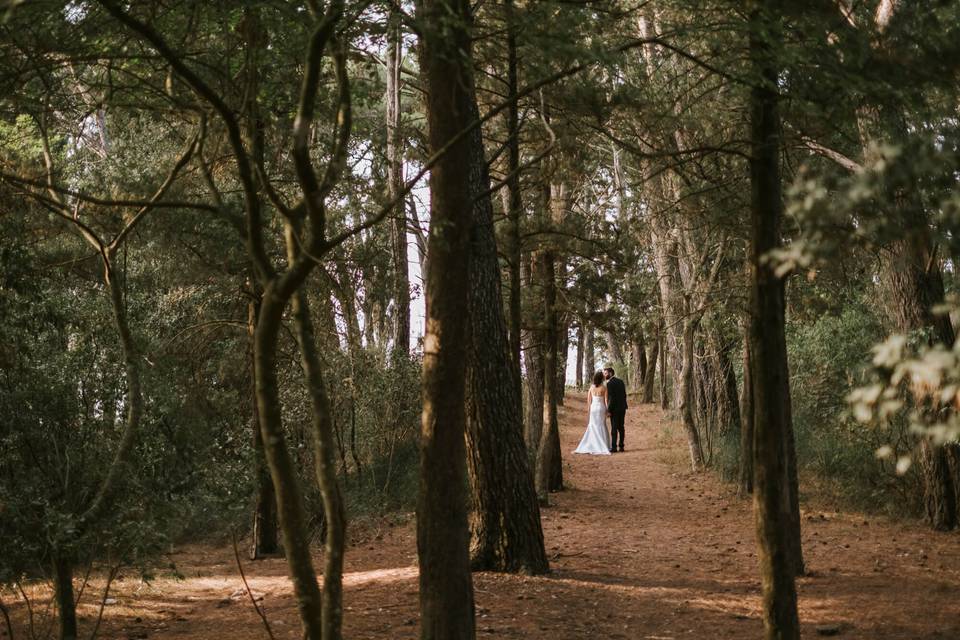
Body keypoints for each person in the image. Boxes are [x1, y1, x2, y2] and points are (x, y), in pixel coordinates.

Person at [573, 371, 612, 455]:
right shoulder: (604, 387)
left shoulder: (591, 387)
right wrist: (607, 410)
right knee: (601, 424)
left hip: (593, 408)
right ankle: (603, 444)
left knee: (593, 425)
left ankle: (592, 443)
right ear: (601, 378)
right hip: (601, 408)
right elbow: (606, 400)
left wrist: (589, 410)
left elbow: (589, 400)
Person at [604, 367, 628, 452]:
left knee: (614, 428)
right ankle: (621, 446)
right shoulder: (621, 381)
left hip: (614, 409)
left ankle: (614, 447)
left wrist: (609, 410)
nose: (604, 375)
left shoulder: (609, 384)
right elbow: (625, 395)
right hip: (622, 408)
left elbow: (611, 398)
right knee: (621, 427)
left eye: (606, 373)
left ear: (610, 373)